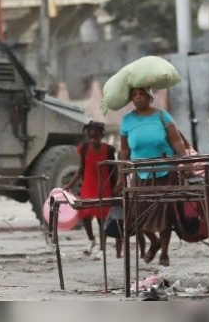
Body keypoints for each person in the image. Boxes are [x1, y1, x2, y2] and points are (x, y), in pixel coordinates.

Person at [117, 87, 187, 267]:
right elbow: (124, 150)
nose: (138, 97)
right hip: (141, 173)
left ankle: (164, 252)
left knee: (165, 214)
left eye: (141, 94)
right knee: (136, 215)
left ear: (149, 96)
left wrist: (186, 162)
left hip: (166, 172)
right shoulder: (127, 121)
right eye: (134, 95)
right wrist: (120, 176)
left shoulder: (163, 116)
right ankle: (154, 242)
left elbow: (177, 140)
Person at [63, 121, 119, 258]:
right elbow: (81, 169)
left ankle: (102, 249)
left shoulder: (109, 150)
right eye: (90, 137)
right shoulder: (84, 149)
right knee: (86, 216)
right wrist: (70, 184)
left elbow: (114, 170)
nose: (93, 140)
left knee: (102, 220)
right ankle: (91, 240)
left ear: (101, 135)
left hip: (104, 188)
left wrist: (118, 186)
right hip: (88, 186)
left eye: (96, 137)